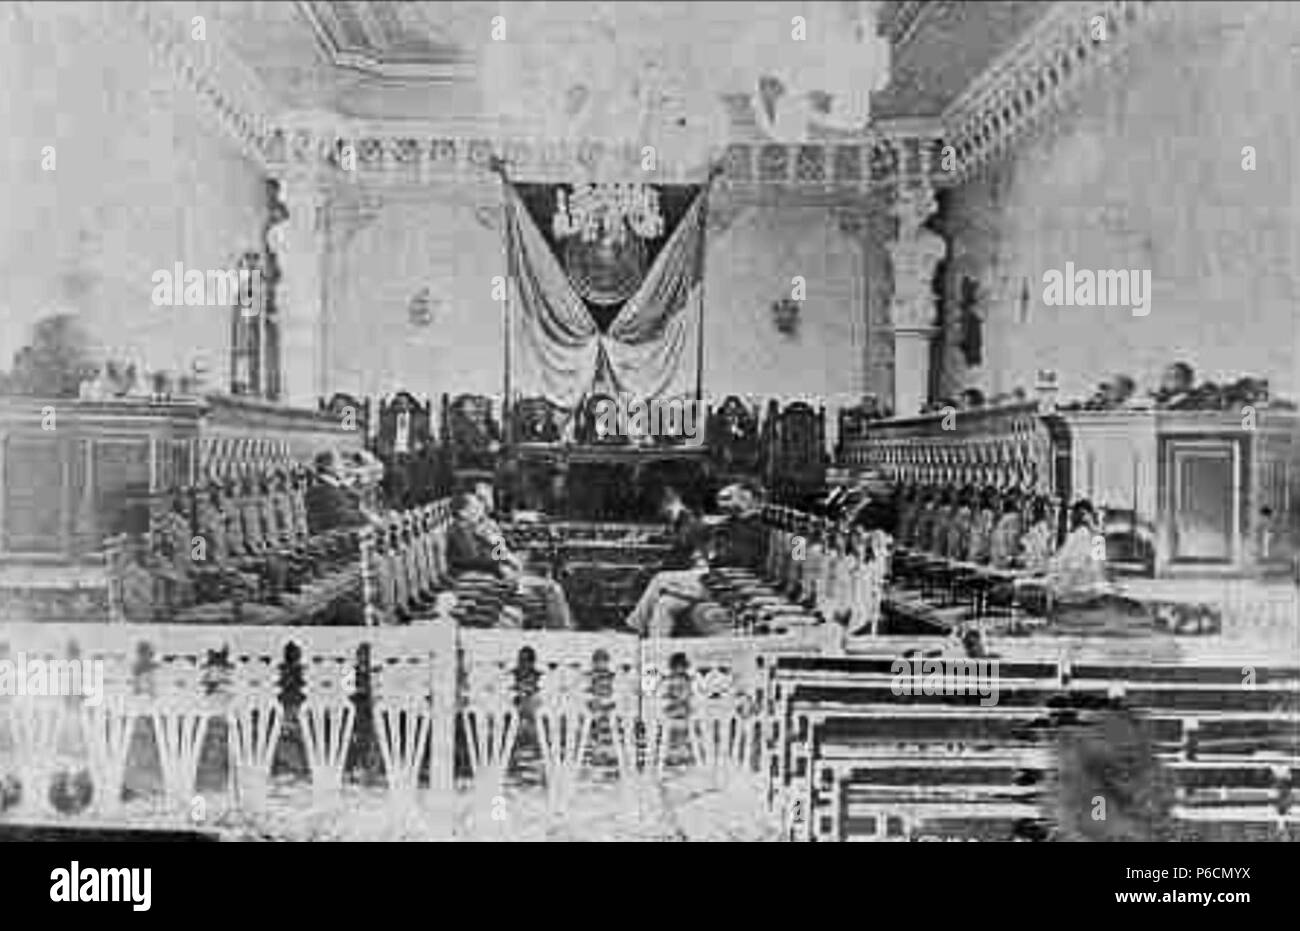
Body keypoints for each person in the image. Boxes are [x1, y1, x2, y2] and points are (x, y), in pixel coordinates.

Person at [446, 492, 573, 630]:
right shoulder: (459, 530)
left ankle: (560, 632)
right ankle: (562, 634)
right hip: (483, 580)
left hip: (497, 576)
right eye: (475, 507)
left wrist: (496, 539)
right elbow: (471, 559)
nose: (481, 510)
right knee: (550, 590)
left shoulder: (479, 529)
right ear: (462, 512)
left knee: (550, 590)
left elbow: (499, 555)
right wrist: (499, 567)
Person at [625, 486, 728, 637]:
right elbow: (677, 540)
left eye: (664, 509)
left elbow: (682, 548)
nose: (663, 514)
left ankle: (635, 626)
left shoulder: (690, 521)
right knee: (664, 604)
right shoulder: (685, 521)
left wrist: (656, 565)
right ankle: (657, 649)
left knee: (659, 579)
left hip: (708, 580)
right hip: (697, 579)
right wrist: (650, 538)